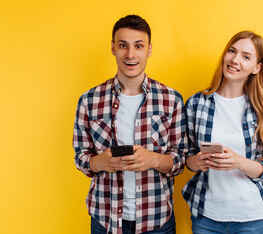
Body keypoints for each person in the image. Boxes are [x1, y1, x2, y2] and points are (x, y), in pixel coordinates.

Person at [73, 15, 187, 234]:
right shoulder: (88, 100)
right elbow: (81, 157)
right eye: (123, 45)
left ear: (149, 49)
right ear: (113, 48)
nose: (131, 54)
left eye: (139, 46)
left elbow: (180, 159)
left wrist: (152, 159)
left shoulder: (171, 99)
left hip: (156, 221)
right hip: (105, 220)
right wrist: (100, 162)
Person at [182, 31, 263, 234]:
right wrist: (197, 161)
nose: (235, 60)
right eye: (232, 51)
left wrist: (238, 162)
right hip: (206, 216)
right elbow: (186, 157)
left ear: (257, 68)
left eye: (246, 56)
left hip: (249, 218)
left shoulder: (262, 109)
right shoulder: (197, 103)